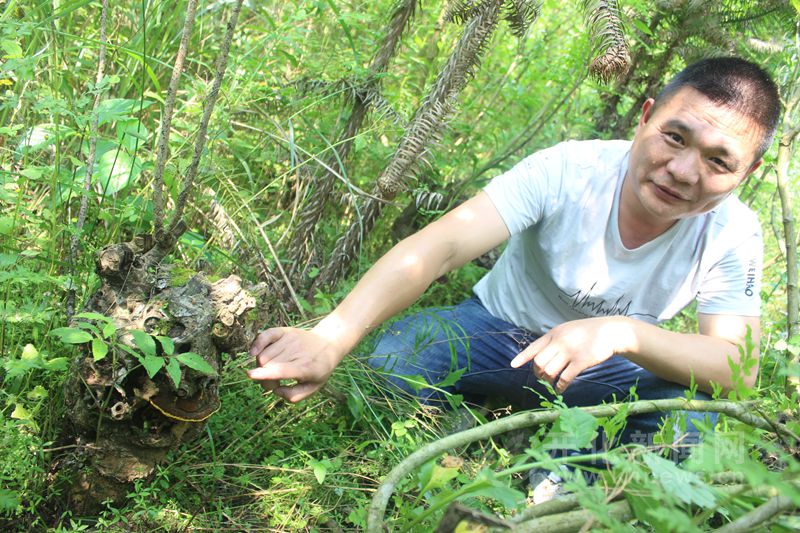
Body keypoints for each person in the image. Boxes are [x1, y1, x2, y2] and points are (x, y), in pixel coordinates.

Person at [248, 57, 780, 450]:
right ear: (644, 118)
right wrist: (330, 336)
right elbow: (441, 246)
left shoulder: (733, 232)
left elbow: (738, 368)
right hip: (495, 330)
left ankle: (562, 473)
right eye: (675, 137)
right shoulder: (570, 170)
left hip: (608, 368)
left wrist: (622, 333)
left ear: (745, 174)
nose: (683, 172)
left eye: (718, 161)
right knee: (395, 360)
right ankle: (475, 442)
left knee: (691, 421)